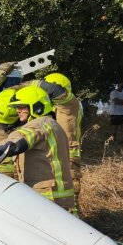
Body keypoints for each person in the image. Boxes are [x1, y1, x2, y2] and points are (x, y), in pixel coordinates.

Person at [0, 87, 75, 214]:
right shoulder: (51, 124)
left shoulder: (40, 124)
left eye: (22, 106)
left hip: (49, 199)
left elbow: (17, 141)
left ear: (37, 106)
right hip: (57, 199)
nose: (18, 111)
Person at [43, 73, 83, 210]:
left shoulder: (68, 106)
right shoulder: (62, 107)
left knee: (69, 196)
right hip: (64, 154)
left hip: (68, 155)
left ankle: (75, 225)